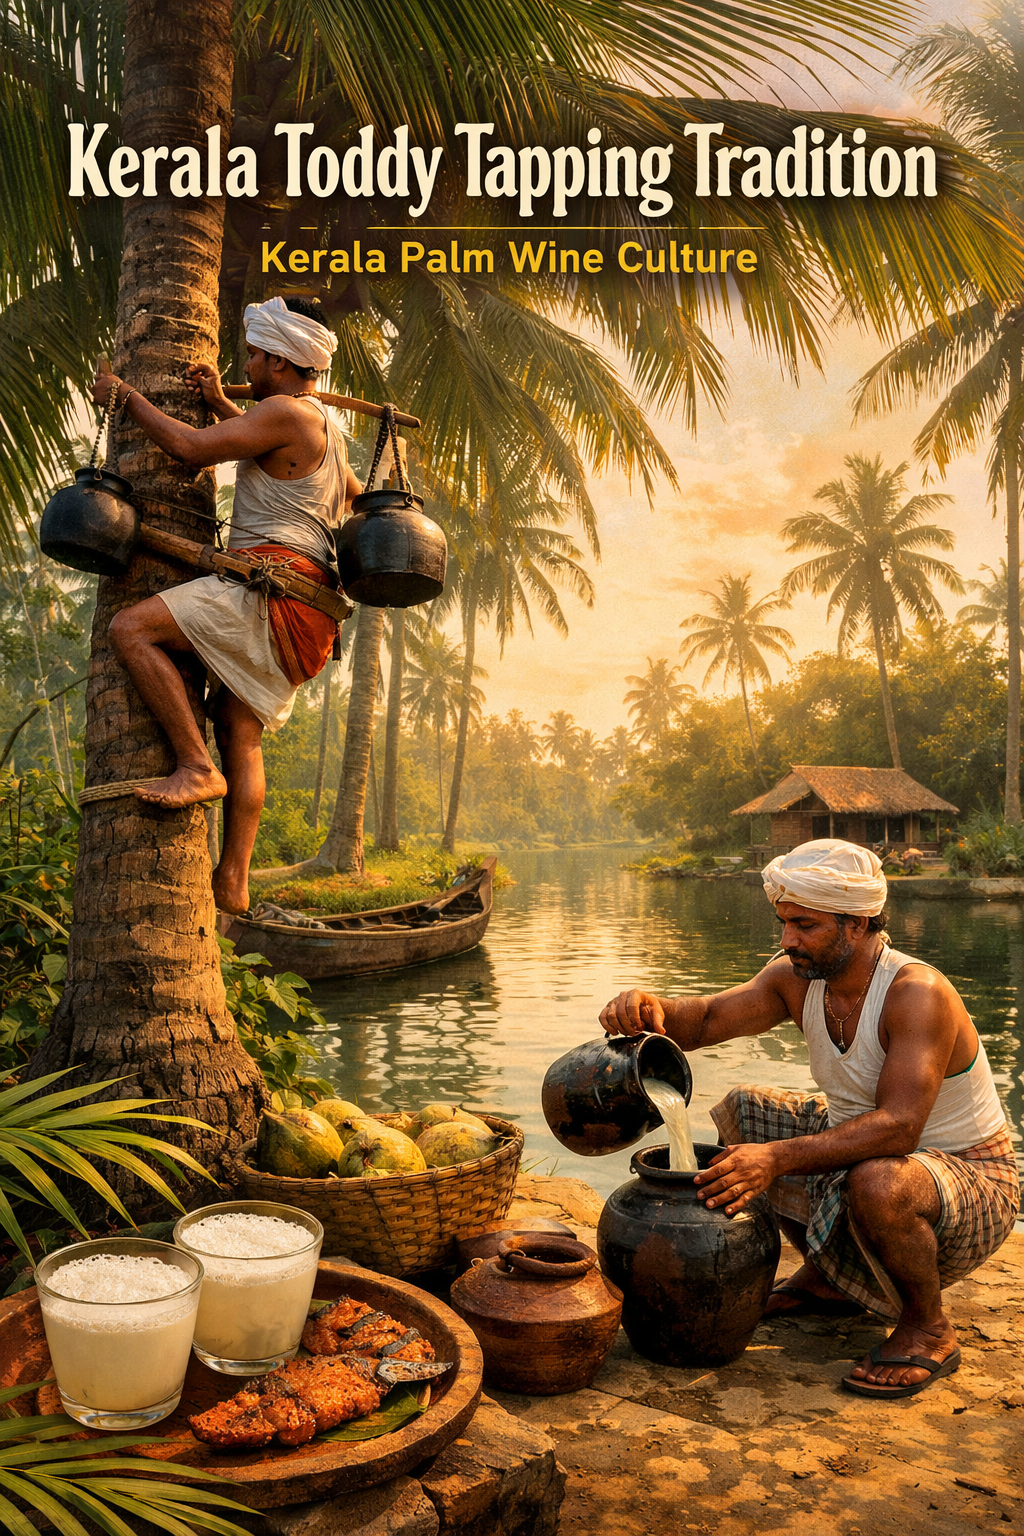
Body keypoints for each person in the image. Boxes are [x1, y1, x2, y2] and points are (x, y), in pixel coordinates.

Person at [599, 840, 1018, 1399]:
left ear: (858, 923)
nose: (787, 939)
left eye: (805, 925)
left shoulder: (916, 993)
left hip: (968, 1178)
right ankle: (825, 1281)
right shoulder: (795, 977)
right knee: (745, 1110)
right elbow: (702, 1023)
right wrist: (649, 1008)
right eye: (784, 922)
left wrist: (774, 1160)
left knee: (877, 1179)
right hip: (879, 1152)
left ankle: (927, 1327)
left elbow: (899, 1127)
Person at [90, 295, 362, 916]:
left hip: (268, 594)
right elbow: (312, 477)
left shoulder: (285, 414)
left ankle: (192, 765)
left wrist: (125, 396)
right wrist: (220, 403)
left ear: (274, 357)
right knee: (241, 732)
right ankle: (233, 881)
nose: (246, 359)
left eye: (252, 353)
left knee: (129, 629)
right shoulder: (326, 428)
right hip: (309, 615)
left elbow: (188, 449)